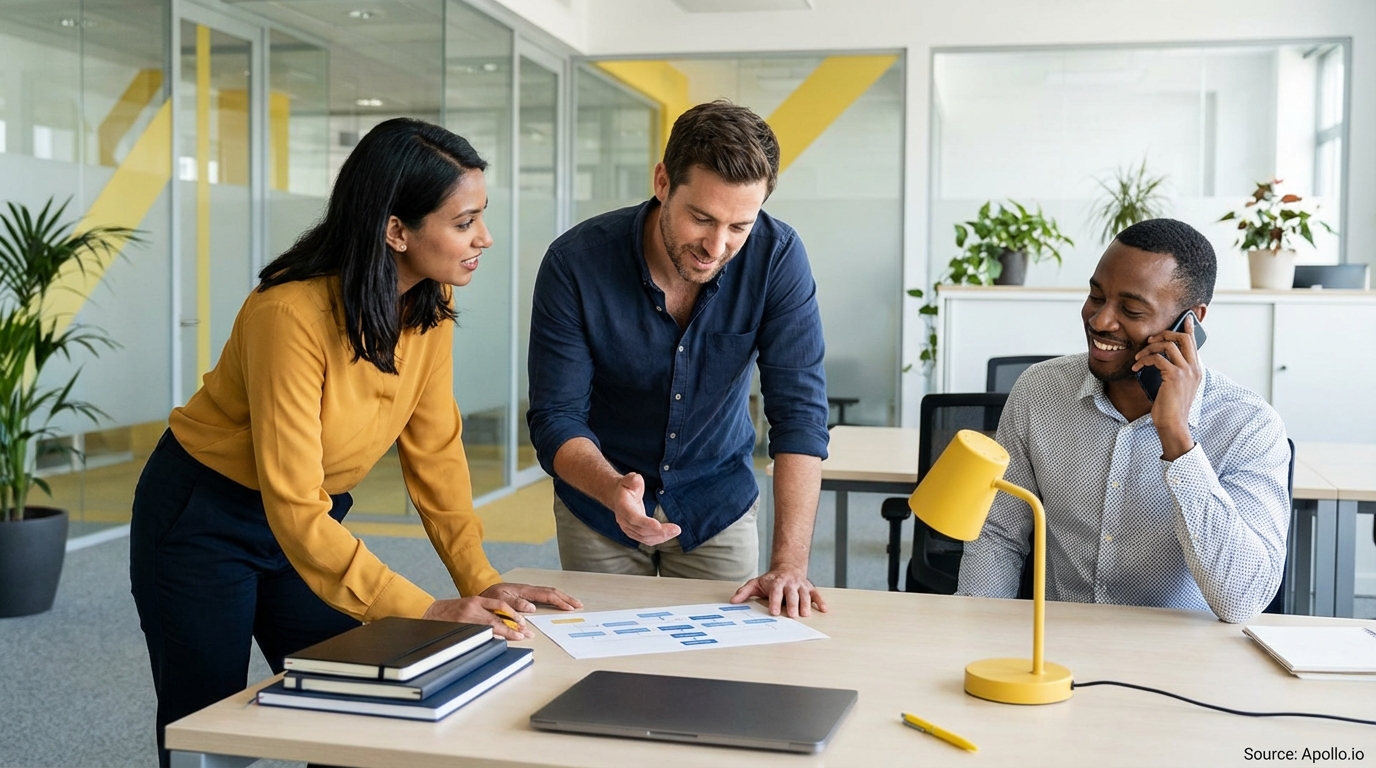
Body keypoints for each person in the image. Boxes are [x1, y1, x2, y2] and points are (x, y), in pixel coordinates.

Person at [129, 118, 581, 767]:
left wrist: (481, 579)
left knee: (361, 707)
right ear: (396, 230)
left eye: (481, 216)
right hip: (204, 517)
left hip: (312, 527)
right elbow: (294, 504)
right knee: (209, 727)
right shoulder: (287, 314)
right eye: (464, 222)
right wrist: (429, 607)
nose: (484, 238)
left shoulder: (430, 298)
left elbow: (435, 453)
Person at [526, 101, 830, 617]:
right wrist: (612, 488)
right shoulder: (575, 263)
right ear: (663, 181)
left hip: (717, 504)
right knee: (604, 671)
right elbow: (556, 416)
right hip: (600, 505)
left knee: (723, 676)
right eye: (702, 218)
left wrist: (789, 564)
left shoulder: (776, 257)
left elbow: (799, 414)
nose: (717, 246)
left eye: (740, 226)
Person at [956, 218, 1290, 623]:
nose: (1100, 321)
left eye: (1131, 310)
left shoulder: (1248, 426)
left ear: (1191, 321)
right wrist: (976, 636)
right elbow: (999, 535)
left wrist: (1177, 439)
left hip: (1186, 664)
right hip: (1059, 650)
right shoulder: (1039, 391)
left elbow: (1243, 600)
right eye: (1096, 296)